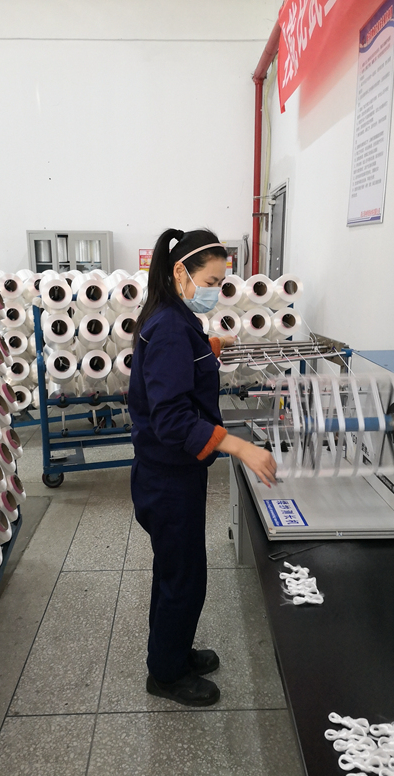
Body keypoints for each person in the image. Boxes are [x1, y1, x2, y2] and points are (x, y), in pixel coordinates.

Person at [128, 228, 277, 707]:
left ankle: (171, 651)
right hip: (168, 478)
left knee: (176, 570)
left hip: (167, 473)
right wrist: (240, 448)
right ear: (181, 272)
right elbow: (172, 419)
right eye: (211, 281)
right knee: (183, 578)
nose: (214, 290)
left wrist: (209, 348)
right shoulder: (172, 327)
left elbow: (174, 369)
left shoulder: (172, 317)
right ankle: (166, 675)